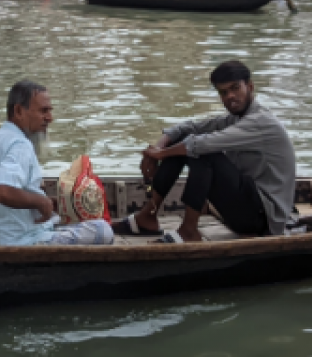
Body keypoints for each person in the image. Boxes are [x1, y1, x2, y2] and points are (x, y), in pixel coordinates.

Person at [116, 61, 296, 242]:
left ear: (250, 87)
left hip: (264, 220)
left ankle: (188, 231)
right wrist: (158, 148)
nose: (230, 96)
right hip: (244, 210)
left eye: (235, 88)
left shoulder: (261, 122)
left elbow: (202, 144)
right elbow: (187, 128)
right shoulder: (235, 119)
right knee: (184, 140)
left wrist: (161, 155)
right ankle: (147, 216)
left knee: (204, 152)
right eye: (224, 92)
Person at [0, 81, 114, 246]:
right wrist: (41, 202)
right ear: (18, 111)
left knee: (59, 219)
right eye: (43, 111)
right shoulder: (20, 145)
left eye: (50, 111)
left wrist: (47, 201)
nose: (50, 118)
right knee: (102, 229)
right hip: (17, 243)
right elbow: (1, 192)